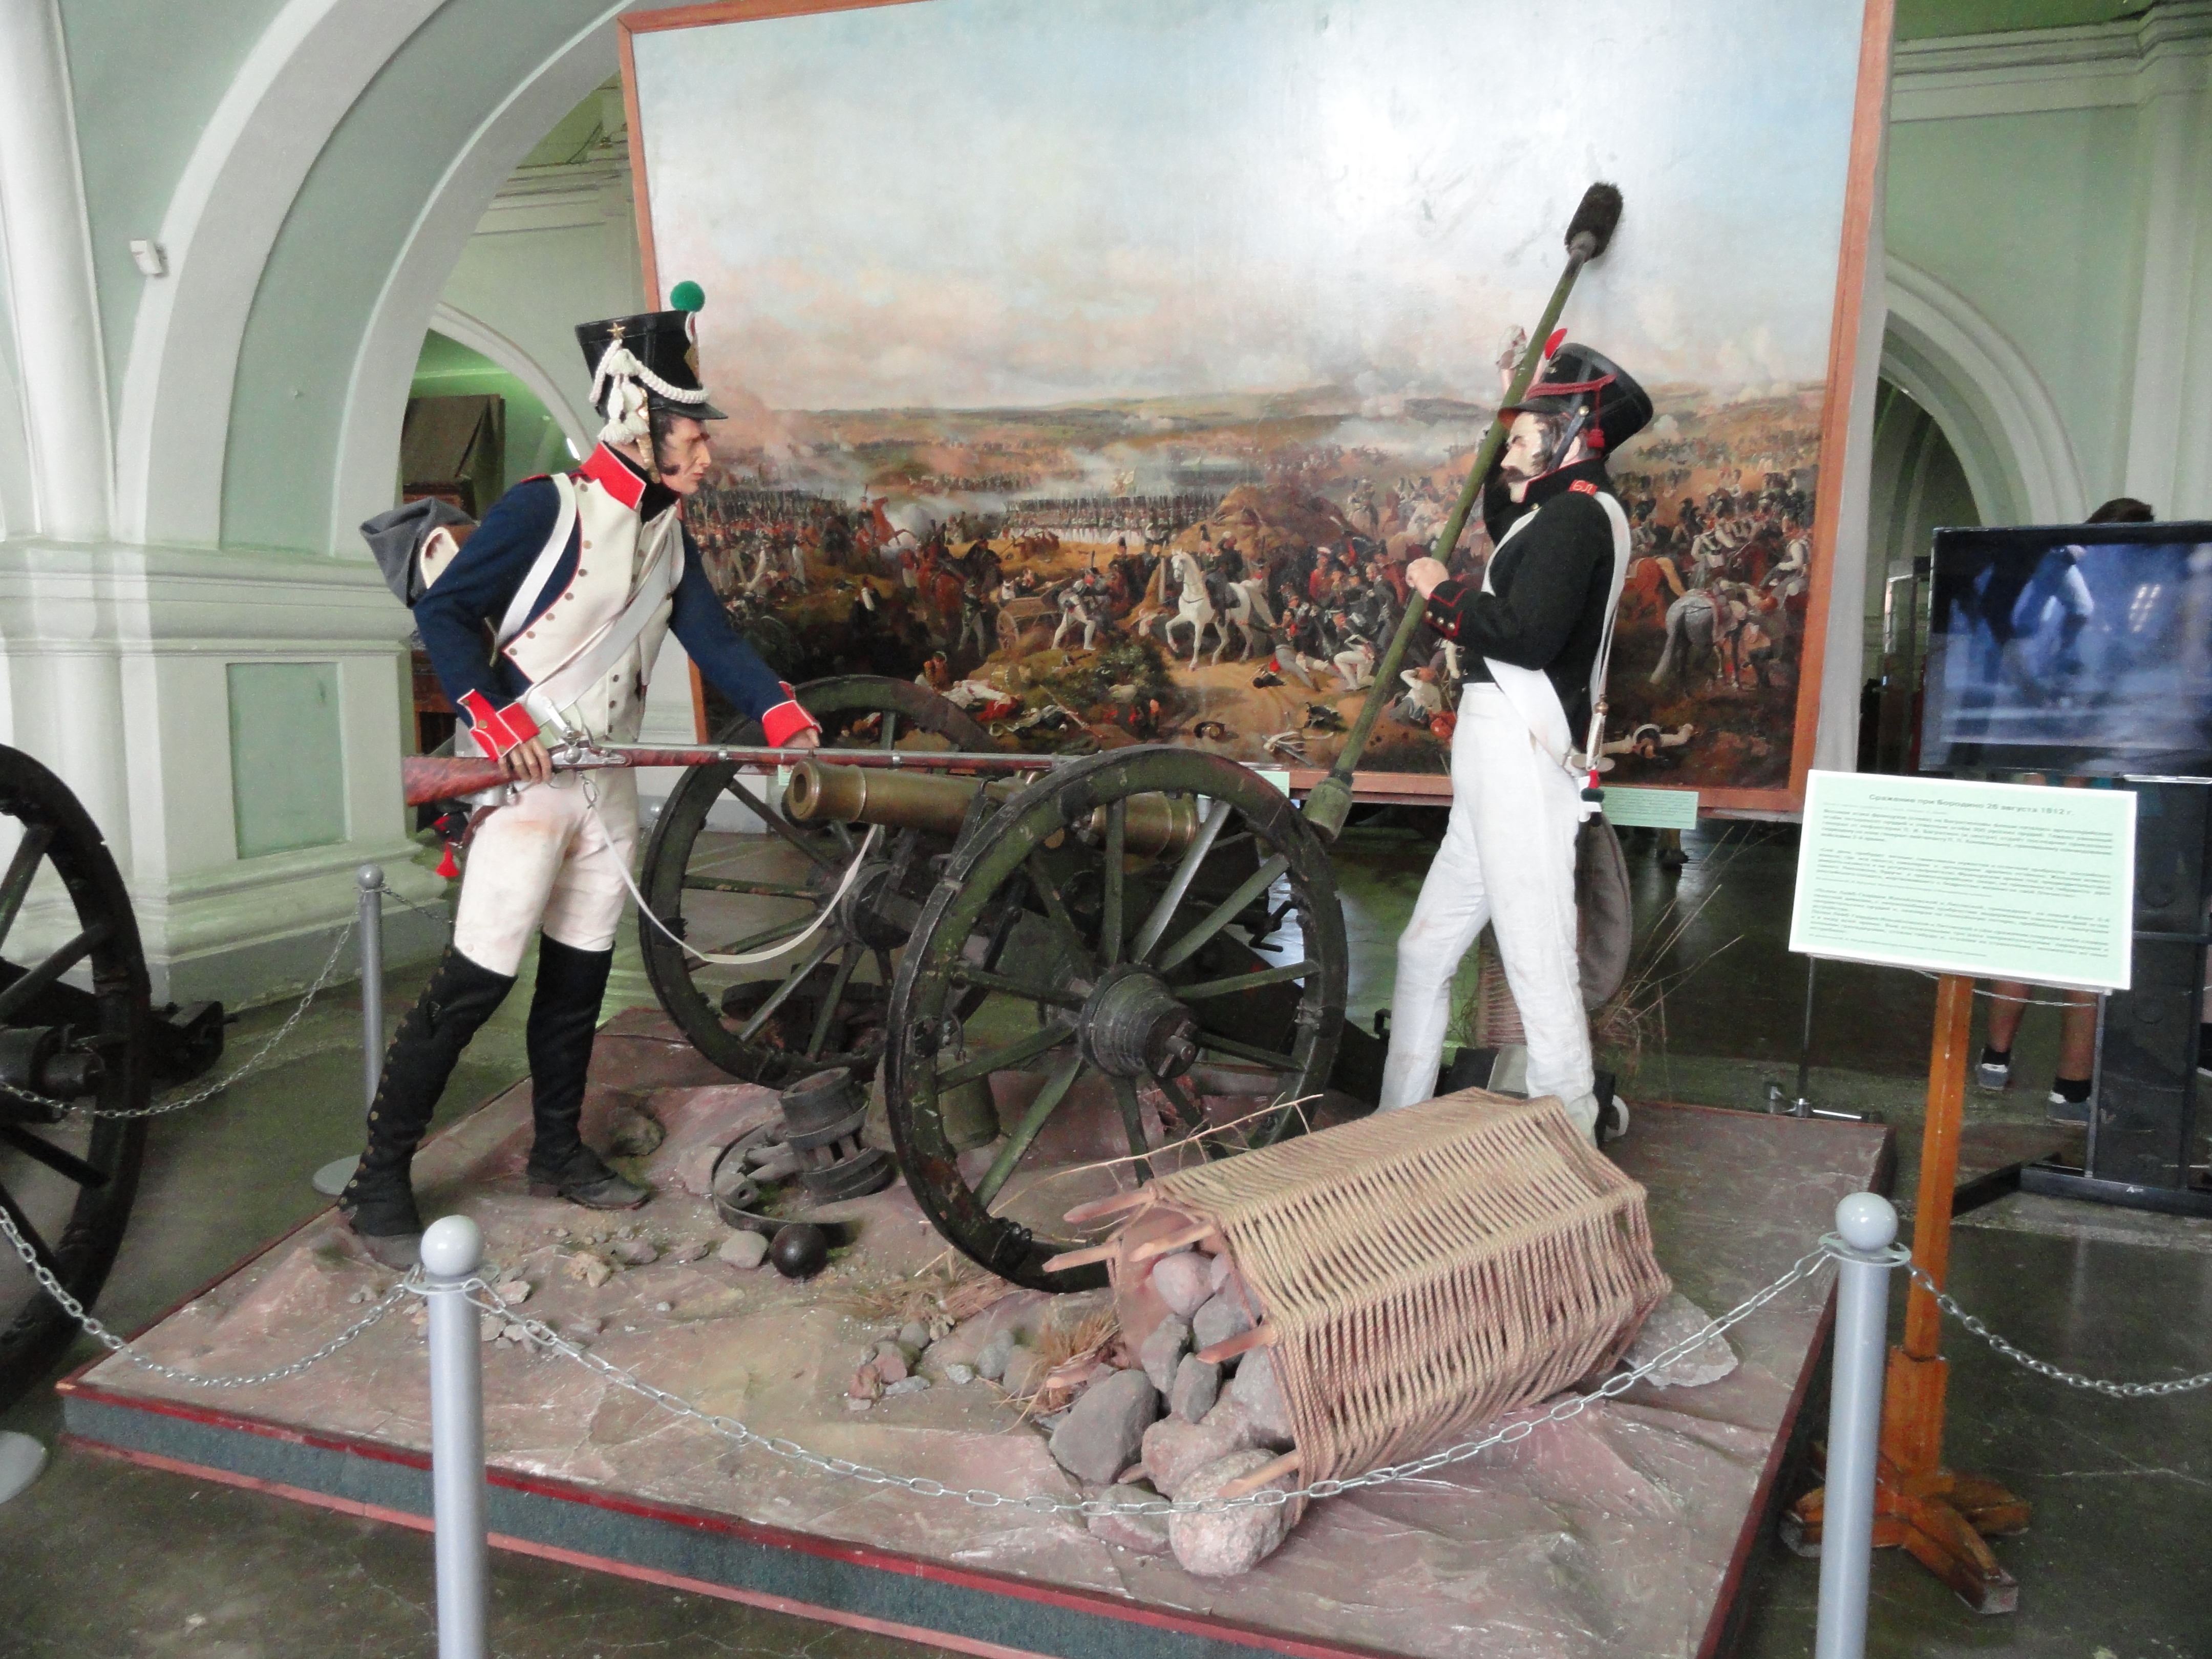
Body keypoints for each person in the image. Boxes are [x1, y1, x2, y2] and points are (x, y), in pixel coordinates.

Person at [338, 293, 821, 1269]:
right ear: (639, 422)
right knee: (474, 983)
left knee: (579, 981)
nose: (706, 456)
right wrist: (498, 717)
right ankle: (379, 1177)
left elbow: (712, 639)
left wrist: (779, 713)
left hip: (605, 785)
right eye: (692, 436)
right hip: (527, 785)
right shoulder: (544, 508)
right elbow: (447, 615)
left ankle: (557, 1152)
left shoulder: (666, 535)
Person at [1379, 342, 1652, 1143]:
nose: (1513, 438)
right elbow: (1509, 524)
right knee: (1424, 951)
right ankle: (1397, 1124)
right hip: (1494, 762)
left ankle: (1571, 1129)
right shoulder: (1555, 511)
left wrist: (1441, 592)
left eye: (1529, 424)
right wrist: (1514, 388)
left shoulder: (1575, 520)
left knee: (1538, 965)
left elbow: (1526, 635)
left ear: (1574, 430)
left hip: (1523, 760)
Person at [1974, 497, 2152, 1123]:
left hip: (2060, 783)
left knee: (2033, 936)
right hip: (2081, 788)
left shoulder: (2077, 587)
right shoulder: (2098, 592)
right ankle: (2067, 1087)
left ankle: (2001, 1060)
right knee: (2080, 945)